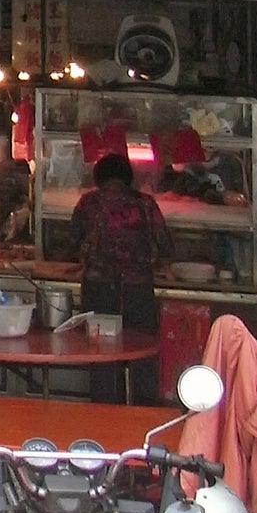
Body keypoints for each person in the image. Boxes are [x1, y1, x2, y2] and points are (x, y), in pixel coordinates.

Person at [69, 152, 174, 404]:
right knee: (143, 351)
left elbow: (72, 241)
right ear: (128, 178)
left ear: (99, 177)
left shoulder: (88, 203)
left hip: (98, 289)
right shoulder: (146, 204)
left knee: (100, 353)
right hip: (138, 289)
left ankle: (104, 412)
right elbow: (166, 246)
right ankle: (144, 411)